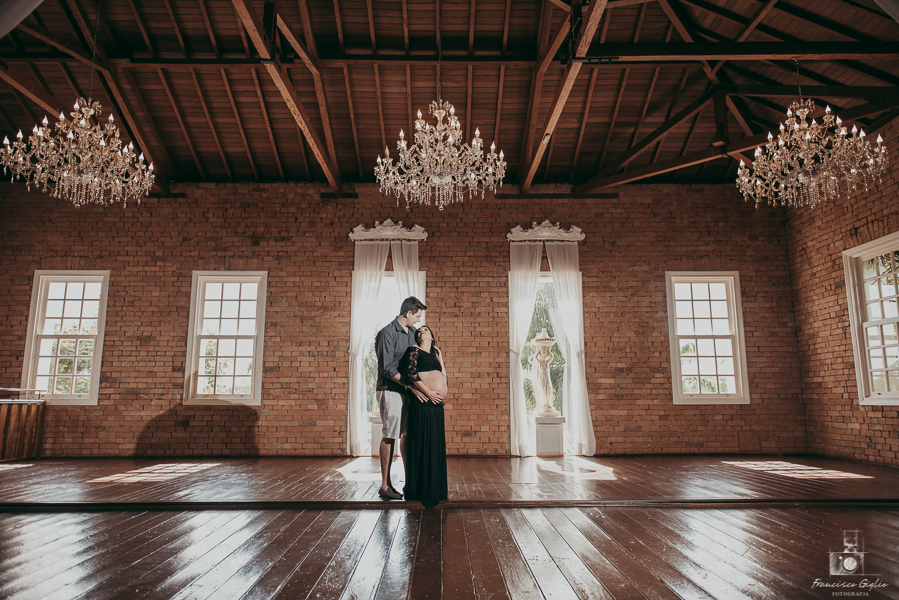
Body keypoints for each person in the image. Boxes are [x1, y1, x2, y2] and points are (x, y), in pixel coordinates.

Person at [374, 296, 428, 500]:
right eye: (417, 316)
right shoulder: (386, 333)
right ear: (408, 313)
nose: (418, 320)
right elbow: (387, 368)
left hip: (407, 390)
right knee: (390, 434)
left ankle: (409, 482)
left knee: (405, 434)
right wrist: (410, 385)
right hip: (390, 389)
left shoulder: (412, 333)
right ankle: (385, 485)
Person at [399, 325, 448, 508]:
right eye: (419, 330)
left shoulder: (435, 356)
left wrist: (441, 360)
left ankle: (435, 488)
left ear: (432, 336)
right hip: (422, 401)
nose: (421, 331)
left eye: (425, 329)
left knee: (435, 444)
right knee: (422, 443)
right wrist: (428, 393)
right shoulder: (414, 350)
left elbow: (443, 378)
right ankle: (420, 489)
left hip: (436, 404)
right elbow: (411, 374)